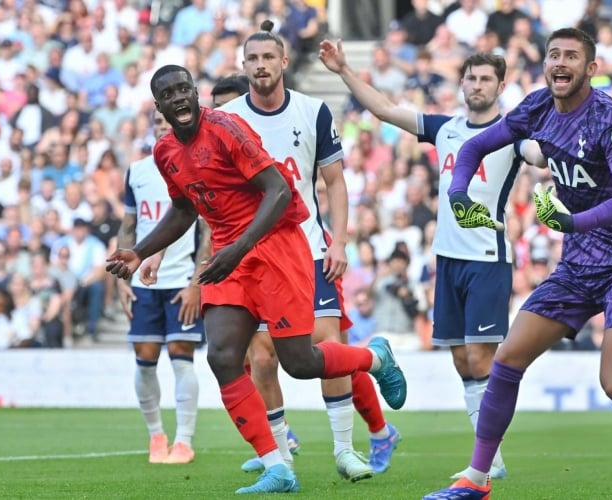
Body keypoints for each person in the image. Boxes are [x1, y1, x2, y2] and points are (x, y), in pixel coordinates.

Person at [423, 27, 612, 500]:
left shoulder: (610, 120)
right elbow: (471, 148)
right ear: (545, 64)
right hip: (578, 265)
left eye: (572, 55)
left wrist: (572, 222)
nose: (560, 62)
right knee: (507, 358)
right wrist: (458, 193)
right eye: (554, 55)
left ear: (591, 68)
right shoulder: (536, 108)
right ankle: (476, 479)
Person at [105, 63, 407, 495]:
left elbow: (280, 190)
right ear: (159, 106)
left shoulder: (226, 128)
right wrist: (140, 252)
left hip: (275, 245)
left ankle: (376, 359)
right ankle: (277, 467)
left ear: (195, 93)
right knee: (223, 357)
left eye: (184, 89)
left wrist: (238, 249)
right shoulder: (165, 151)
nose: (178, 98)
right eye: (168, 94)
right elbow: (184, 209)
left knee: (300, 362)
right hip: (231, 254)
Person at [319, 39, 546, 480]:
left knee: (481, 361)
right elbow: (385, 110)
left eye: (486, 79)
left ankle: (488, 461)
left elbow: (539, 154)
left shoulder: (513, 135)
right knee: (462, 362)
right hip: (448, 260)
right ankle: (491, 459)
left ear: (500, 86)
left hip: (486, 258)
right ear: (462, 83)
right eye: (472, 77)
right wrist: (344, 71)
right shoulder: (445, 128)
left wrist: (552, 142)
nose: (477, 85)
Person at [220, 21, 400, 479]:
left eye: (268, 58)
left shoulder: (314, 111)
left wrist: (338, 240)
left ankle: (344, 449)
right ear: (244, 66)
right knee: (261, 357)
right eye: (252, 59)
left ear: (284, 62)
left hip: (307, 251)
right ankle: (278, 460)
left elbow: (335, 183)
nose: (260, 66)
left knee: (324, 345)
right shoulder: (228, 121)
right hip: (253, 258)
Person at [115, 109, 210, 465]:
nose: (163, 127)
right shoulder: (137, 171)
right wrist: (122, 279)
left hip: (179, 281)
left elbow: (208, 230)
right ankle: (157, 436)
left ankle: (184, 440)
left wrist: (196, 283)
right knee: (144, 362)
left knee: (182, 360)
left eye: (168, 121)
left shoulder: (193, 167)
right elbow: (128, 224)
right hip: (142, 282)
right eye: (157, 122)